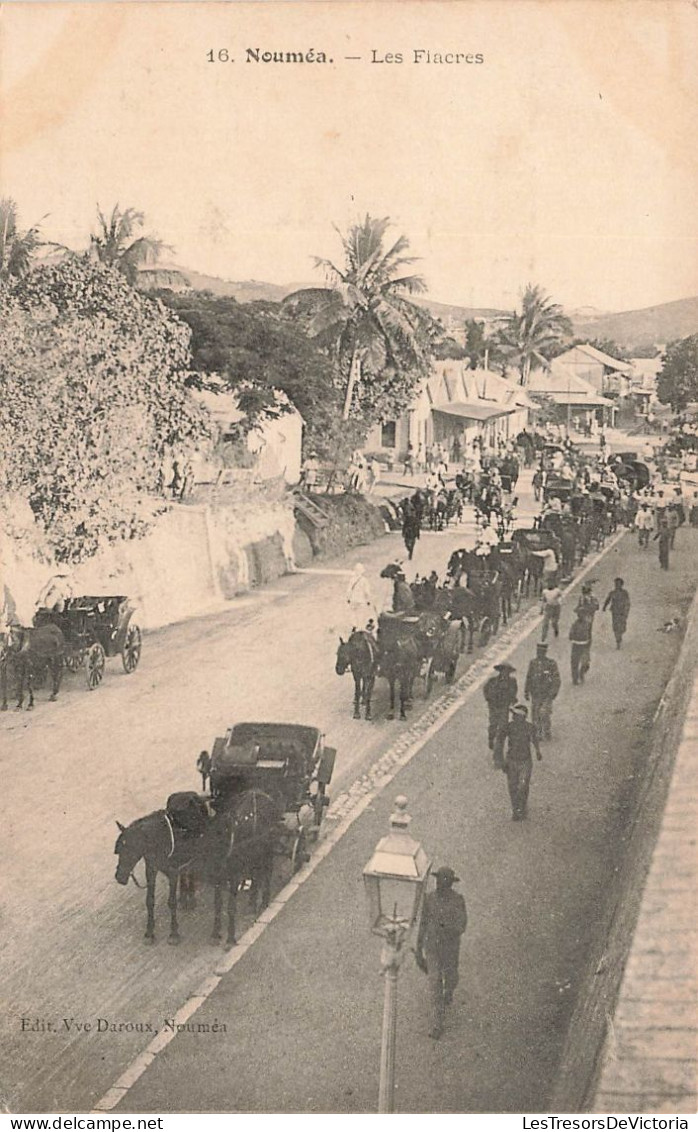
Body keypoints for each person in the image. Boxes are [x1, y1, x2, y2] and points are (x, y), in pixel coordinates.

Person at [415, 866, 468, 1039]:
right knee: (435, 984)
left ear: (451, 883)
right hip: (432, 949)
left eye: (444, 880)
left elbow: (462, 925)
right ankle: (437, 1024)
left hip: (450, 950)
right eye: (438, 879)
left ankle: (449, 992)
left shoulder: (458, 901)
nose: (439, 883)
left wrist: (447, 928)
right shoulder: (429, 899)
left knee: (451, 978)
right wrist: (418, 949)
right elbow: (422, 925)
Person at [500, 704, 542, 821]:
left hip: (525, 761)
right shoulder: (509, 727)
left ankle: (521, 807)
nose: (513, 717)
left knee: (523, 786)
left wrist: (538, 751)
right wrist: (502, 759)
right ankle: (516, 809)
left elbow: (534, 740)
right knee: (513, 786)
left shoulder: (530, 727)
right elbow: (500, 740)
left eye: (515, 715)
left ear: (522, 717)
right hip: (511, 760)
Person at [482, 663, 518, 768]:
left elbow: (513, 693)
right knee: (493, 727)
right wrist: (489, 699)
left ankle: (498, 759)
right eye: (503, 671)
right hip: (493, 708)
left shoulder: (512, 682)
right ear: (500, 671)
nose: (505, 673)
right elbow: (486, 691)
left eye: (507, 671)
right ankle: (491, 738)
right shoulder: (492, 681)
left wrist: (511, 701)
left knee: (501, 733)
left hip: (504, 709)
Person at [524, 642, 561, 741]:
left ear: (545, 652)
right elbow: (529, 677)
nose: (539, 653)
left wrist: (553, 693)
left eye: (541, 651)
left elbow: (556, 679)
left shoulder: (551, 664)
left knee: (544, 713)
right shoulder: (533, 663)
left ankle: (546, 731)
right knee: (535, 714)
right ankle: (538, 733)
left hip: (546, 694)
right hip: (535, 693)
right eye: (538, 651)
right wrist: (526, 691)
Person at [345, 563, 376, 629]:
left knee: (352, 613)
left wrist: (348, 598)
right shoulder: (365, 580)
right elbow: (367, 592)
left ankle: (354, 625)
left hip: (353, 600)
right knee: (361, 615)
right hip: (361, 601)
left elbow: (349, 590)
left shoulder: (352, 579)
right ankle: (360, 627)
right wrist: (368, 600)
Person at [603, 577, 631, 649]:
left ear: (621, 585)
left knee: (622, 626)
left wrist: (626, 610)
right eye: (616, 584)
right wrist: (604, 607)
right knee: (615, 626)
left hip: (622, 612)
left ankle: (620, 636)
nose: (617, 585)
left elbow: (627, 602)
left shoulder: (625, 593)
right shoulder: (612, 593)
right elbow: (608, 600)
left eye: (618, 584)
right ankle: (618, 640)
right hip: (615, 612)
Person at [569, 612, 592, 685]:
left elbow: (589, 635)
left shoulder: (587, 624)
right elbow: (570, 635)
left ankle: (581, 674)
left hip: (584, 645)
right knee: (575, 663)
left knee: (585, 663)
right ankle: (575, 679)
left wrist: (589, 643)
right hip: (577, 645)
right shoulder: (575, 624)